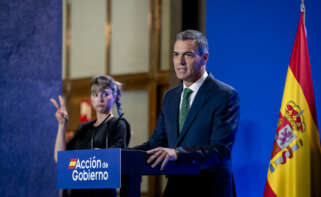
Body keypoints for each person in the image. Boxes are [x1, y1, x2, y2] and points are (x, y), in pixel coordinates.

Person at [135, 30, 240, 197]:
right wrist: (118, 155)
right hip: (176, 188)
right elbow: (156, 143)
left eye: (188, 55)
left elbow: (220, 150)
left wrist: (177, 153)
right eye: (176, 55)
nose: (180, 62)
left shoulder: (224, 95)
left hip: (211, 189)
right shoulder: (170, 97)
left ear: (205, 58)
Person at [50, 74, 131, 197]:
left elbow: (113, 159)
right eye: (95, 94)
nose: (100, 98)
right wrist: (62, 125)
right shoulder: (83, 128)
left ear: (115, 95)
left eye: (105, 93)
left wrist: (84, 159)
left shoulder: (119, 125)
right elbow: (60, 158)